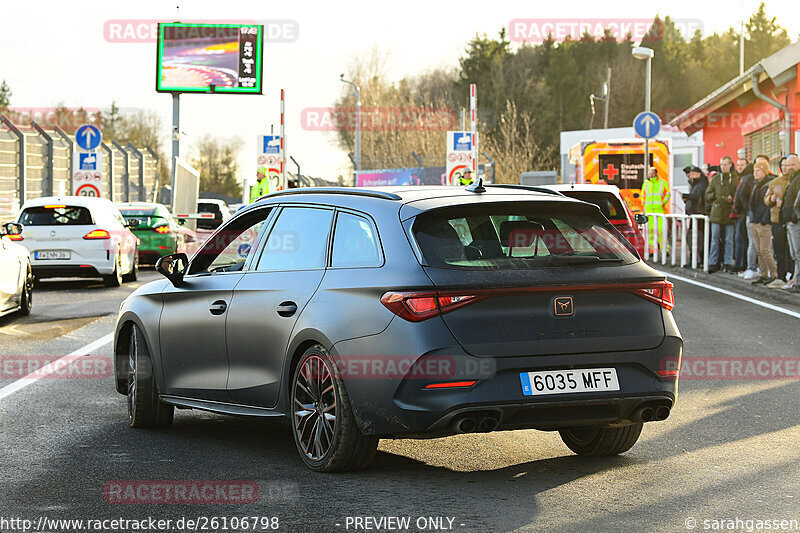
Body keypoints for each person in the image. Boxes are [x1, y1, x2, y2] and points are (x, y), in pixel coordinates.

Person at [705, 156, 739, 272]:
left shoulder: (735, 178)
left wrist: (733, 198)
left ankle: (727, 262)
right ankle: (713, 262)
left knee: (729, 239)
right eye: (722, 164)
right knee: (715, 239)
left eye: (725, 164)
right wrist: (716, 198)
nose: (723, 167)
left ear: (730, 165)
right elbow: (708, 193)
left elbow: (739, 193)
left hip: (729, 213)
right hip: (717, 213)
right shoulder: (715, 179)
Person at [747, 160, 777, 285]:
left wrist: (765, 220)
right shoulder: (756, 184)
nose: (755, 173)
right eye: (754, 170)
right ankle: (764, 274)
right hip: (754, 220)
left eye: (758, 170)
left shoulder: (768, 185)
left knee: (765, 250)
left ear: (764, 171)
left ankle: (774, 274)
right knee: (758, 250)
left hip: (763, 222)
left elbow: (767, 205)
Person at [765, 156, 792, 286]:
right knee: (779, 248)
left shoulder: (795, 181)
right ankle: (781, 276)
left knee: (792, 250)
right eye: (784, 165)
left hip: (792, 219)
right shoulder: (775, 182)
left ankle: (792, 274)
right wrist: (772, 199)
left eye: (789, 165)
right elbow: (766, 199)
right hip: (777, 219)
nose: (786, 168)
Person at [780, 154, 800, 291]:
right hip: (789, 222)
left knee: (798, 253)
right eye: (787, 165)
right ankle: (796, 279)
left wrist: (794, 218)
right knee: (794, 254)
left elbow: (797, 203)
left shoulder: (798, 179)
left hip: (795, 222)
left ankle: (798, 281)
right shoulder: (792, 179)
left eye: (792, 164)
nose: (789, 167)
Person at [682, 165, 708, 266]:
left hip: (699, 214)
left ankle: (699, 260)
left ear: (698, 174)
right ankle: (696, 260)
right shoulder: (695, 184)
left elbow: (697, 197)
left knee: (698, 238)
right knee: (694, 237)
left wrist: (685, 196)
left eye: (692, 174)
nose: (690, 176)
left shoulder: (701, 184)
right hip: (694, 214)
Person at [641, 167, 670, 253]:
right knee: (650, 232)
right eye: (649, 173)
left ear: (656, 173)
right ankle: (652, 250)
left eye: (652, 173)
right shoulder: (646, 183)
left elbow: (668, 194)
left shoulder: (662, 182)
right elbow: (643, 195)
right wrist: (644, 204)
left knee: (662, 231)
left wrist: (662, 202)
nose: (651, 175)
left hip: (659, 211)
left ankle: (665, 250)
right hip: (649, 211)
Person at [732, 157, 753, 274]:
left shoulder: (747, 178)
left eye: (742, 165)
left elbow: (745, 197)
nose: (739, 167)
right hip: (739, 213)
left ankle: (742, 265)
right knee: (739, 240)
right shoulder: (740, 178)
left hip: (743, 214)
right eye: (738, 165)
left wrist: (743, 208)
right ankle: (740, 264)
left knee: (743, 241)